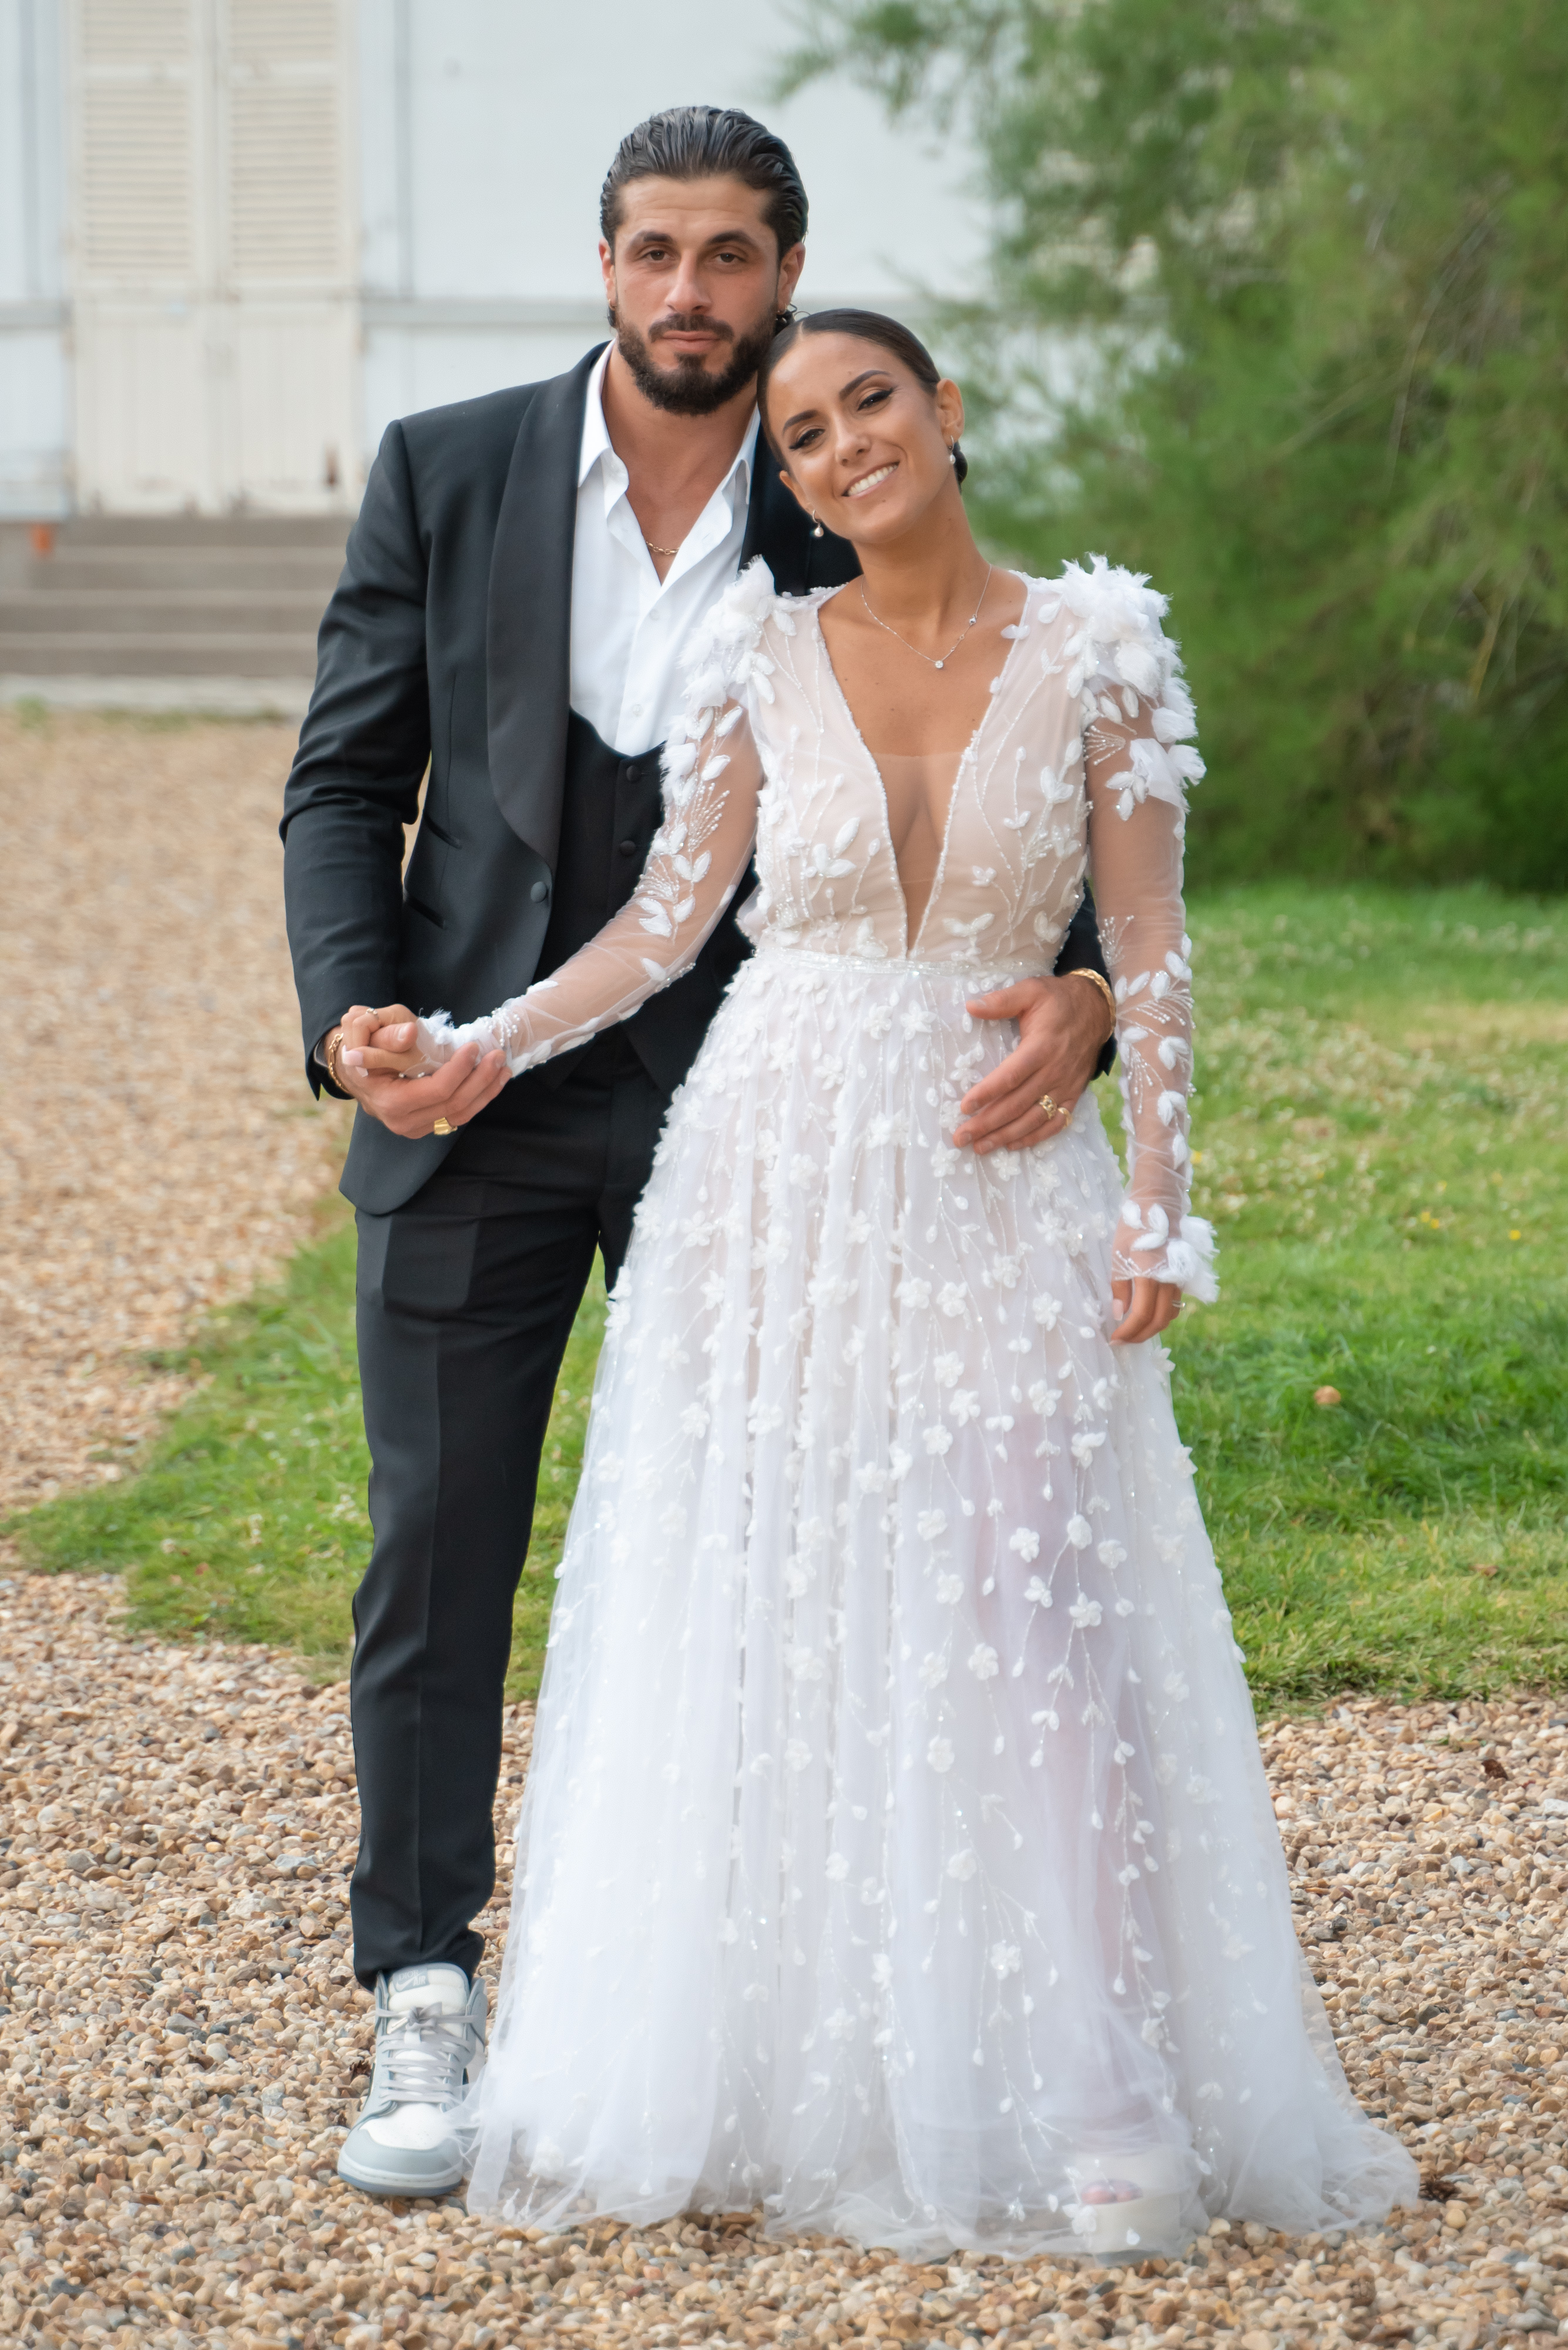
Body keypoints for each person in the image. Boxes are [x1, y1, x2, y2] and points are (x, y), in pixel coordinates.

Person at [349, 311, 1419, 2255]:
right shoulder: (762, 652)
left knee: (1042, 1610)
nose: (843, 448)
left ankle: (1093, 2080)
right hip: (770, 1171)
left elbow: (1155, 937)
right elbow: (665, 932)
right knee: (773, 1595)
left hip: (1001, 1179)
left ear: (947, 413)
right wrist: (485, 1040)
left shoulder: (1099, 648)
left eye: (871, 405)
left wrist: (1159, 1200)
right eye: (806, 430)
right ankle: (786, 2056)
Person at [281, 109, 1117, 2200]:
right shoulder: (445, 468)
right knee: (438, 1549)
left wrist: (1089, 989)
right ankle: (423, 1991)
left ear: (789, 271)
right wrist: (360, 1017)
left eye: (733, 257)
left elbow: (1020, 743)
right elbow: (343, 781)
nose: (692, 295)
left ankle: (773, 2007)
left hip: (757, 1117)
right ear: (603, 264)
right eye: (656, 252)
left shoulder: (848, 474)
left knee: (789, 1556)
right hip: (474, 1093)